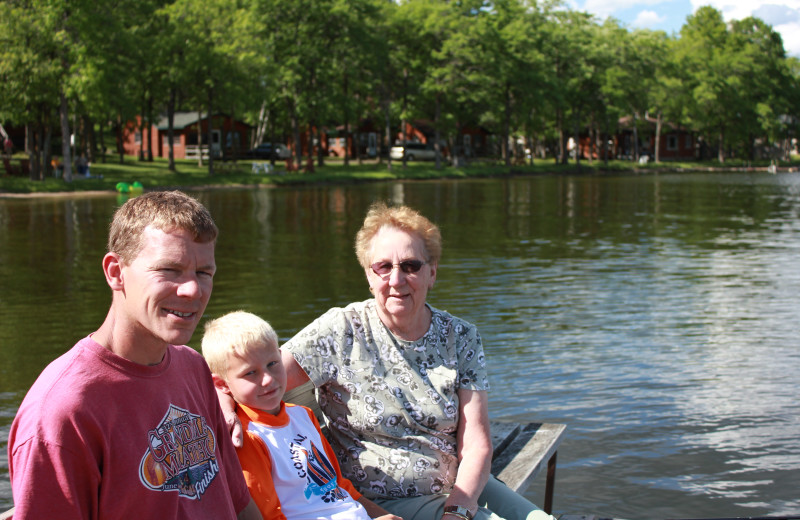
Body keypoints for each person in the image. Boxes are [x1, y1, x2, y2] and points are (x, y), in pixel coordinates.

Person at [222, 202, 554, 520]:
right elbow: (258, 374)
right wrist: (222, 400)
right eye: (384, 267)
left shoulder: (460, 337)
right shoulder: (340, 330)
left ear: (432, 274)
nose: (396, 280)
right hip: (382, 500)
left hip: (456, 486)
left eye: (411, 265)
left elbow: (477, 442)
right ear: (369, 276)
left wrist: (459, 508)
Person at [8, 191, 261, 520]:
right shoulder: (62, 413)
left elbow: (237, 503)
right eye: (170, 270)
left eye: (204, 273)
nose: (193, 290)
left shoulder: (192, 367)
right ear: (115, 272)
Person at [202, 310, 403, 520]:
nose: (268, 379)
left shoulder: (303, 415)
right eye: (250, 373)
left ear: (281, 356)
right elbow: (268, 515)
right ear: (222, 384)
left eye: (272, 364)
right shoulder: (248, 437)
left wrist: (385, 516)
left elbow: (340, 487)